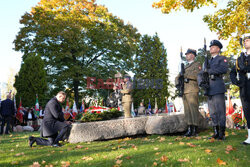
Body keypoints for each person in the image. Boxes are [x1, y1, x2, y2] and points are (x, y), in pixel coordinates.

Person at [198, 40, 228, 140]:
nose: (211, 48)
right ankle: (215, 132)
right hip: (208, 88)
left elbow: (223, 69)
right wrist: (201, 82)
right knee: (212, 112)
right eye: (210, 46)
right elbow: (201, 73)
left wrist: (209, 71)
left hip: (217, 86)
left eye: (213, 46)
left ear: (218, 49)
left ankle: (222, 133)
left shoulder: (221, 58)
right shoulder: (207, 61)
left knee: (220, 111)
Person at [175, 48, 201, 137]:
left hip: (192, 89)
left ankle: (195, 129)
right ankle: (189, 128)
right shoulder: (184, 66)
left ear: (193, 55)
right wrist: (177, 82)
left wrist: (185, 75)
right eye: (186, 54)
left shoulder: (197, 64)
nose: (186, 56)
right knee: (187, 111)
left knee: (193, 110)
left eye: (188, 54)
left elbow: (197, 75)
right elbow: (178, 77)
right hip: (185, 90)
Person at [230, 33, 250, 145]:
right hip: (244, 88)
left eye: (248, 40)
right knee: (247, 112)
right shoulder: (240, 58)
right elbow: (233, 72)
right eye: (245, 40)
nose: (246, 42)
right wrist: (236, 82)